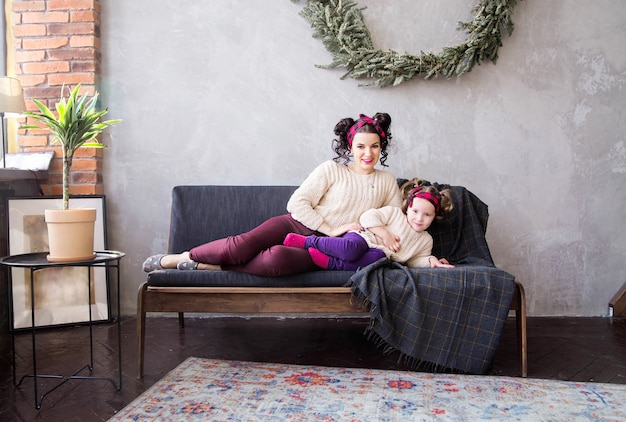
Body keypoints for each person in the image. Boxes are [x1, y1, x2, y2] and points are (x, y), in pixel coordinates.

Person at [142, 113, 402, 276]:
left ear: (381, 147)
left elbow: (393, 221)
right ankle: (181, 258)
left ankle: (212, 267)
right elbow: (297, 203)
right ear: (350, 146)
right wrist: (330, 228)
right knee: (240, 247)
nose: (368, 153)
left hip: (328, 247)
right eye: (360, 146)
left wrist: (371, 235)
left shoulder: (386, 182)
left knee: (275, 261)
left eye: (374, 146)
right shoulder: (331, 169)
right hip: (296, 223)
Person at [282, 179, 455, 270]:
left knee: (376, 260)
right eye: (415, 211)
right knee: (351, 249)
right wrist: (385, 235)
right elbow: (368, 217)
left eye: (427, 215)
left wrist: (432, 261)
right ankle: (308, 241)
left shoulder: (425, 240)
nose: (419, 218)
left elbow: (414, 261)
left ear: (434, 217)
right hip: (363, 236)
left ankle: (330, 263)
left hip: (379, 252)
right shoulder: (395, 214)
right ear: (408, 208)